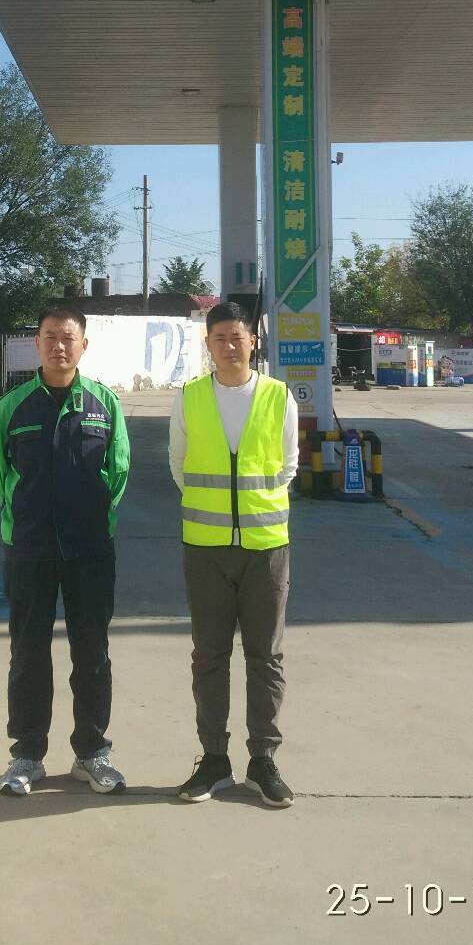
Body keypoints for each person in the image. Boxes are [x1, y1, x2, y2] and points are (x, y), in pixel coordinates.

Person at [0, 301, 130, 796]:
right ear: (37, 343)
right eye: (49, 337)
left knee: (92, 654)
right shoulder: (14, 406)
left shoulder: (104, 404)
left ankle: (92, 753)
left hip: (90, 550)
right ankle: (27, 756)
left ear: (83, 345)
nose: (59, 346)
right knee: (28, 654)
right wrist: (26, 516)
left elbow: (118, 471)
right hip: (29, 548)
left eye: (68, 338)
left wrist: (91, 516)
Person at [169, 301, 299, 807]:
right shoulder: (189, 398)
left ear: (253, 342)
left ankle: (263, 760)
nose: (229, 345)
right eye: (219, 337)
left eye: (237, 336)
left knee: (265, 657)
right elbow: (179, 464)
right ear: (208, 344)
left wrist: (252, 510)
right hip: (205, 548)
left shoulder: (278, 396)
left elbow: (288, 464)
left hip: (266, 548)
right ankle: (214, 760)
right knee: (209, 655)